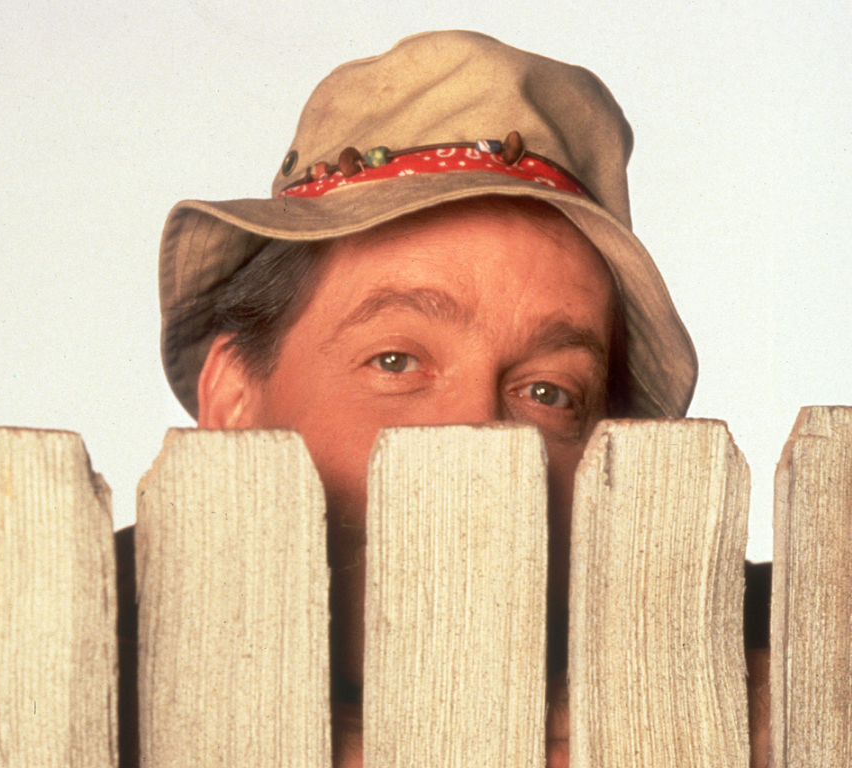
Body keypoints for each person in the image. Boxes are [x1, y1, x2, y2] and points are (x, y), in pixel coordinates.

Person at [158, 31, 768, 767]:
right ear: (233, 402)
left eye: (548, 392)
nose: (480, 442)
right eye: (395, 361)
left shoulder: (738, 664)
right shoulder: (70, 639)